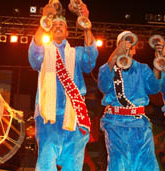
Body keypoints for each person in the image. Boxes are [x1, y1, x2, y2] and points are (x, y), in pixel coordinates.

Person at [28, 2, 98, 170]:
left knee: (73, 164)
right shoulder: (44, 52)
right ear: (49, 30)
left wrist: (86, 23)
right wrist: (45, 18)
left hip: (74, 115)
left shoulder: (77, 53)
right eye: (55, 25)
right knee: (46, 162)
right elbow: (33, 54)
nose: (58, 27)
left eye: (62, 25)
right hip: (48, 117)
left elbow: (91, 59)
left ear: (67, 31)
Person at [98, 30, 161, 170]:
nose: (128, 48)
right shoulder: (109, 67)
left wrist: (158, 66)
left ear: (135, 50)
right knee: (119, 163)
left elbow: (154, 87)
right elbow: (102, 85)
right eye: (123, 45)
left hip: (140, 124)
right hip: (115, 123)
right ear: (117, 47)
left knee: (147, 164)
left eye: (130, 45)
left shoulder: (142, 68)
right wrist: (116, 54)